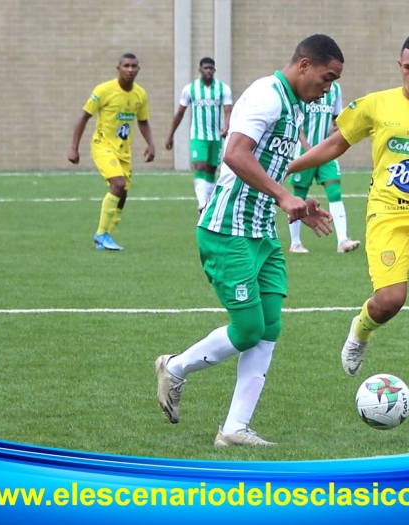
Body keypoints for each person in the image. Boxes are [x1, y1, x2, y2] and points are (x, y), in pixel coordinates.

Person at [155, 34, 343, 446]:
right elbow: (235, 155)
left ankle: (235, 428)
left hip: (260, 232)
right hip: (227, 231)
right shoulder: (267, 95)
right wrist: (283, 194)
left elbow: (263, 170)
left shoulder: (293, 107)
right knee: (247, 329)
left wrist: (299, 206)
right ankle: (174, 367)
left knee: (269, 327)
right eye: (327, 78)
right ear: (305, 65)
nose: (328, 89)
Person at [287, 34, 409, 410]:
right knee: (391, 300)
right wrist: (286, 167)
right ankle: (360, 330)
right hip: (388, 215)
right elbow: (334, 144)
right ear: (400, 67)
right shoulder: (375, 105)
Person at [69, 53, 156, 251]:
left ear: (138, 69)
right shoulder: (104, 90)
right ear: (118, 68)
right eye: (126, 65)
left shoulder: (140, 95)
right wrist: (74, 147)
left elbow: (143, 121)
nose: (130, 69)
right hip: (102, 146)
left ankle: (106, 235)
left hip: (123, 151)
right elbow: (84, 117)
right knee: (118, 184)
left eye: (134, 66)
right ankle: (100, 235)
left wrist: (151, 144)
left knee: (122, 193)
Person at [287, 82, 361, 254]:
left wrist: (338, 132)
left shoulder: (335, 89)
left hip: (326, 152)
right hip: (303, 152)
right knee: (299, 195)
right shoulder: (305, 87)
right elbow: (297, 124)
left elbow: (337, 118)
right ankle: (295, 243)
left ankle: (343, 240)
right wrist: (307, 148)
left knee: (334, 191)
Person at [165, 57, 233, 212]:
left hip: (215, 137)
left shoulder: (223, 89)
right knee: (200, 165)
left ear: (214, 71)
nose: (208, 71)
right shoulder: (190, 89)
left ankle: (206, 203)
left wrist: (226, 126)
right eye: (205, 68)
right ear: (200, 70)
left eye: (211, 68)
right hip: (198, 136)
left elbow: (228, 110)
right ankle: (202, 203)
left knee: (210, 169)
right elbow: (180, 113)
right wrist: (170, 135)